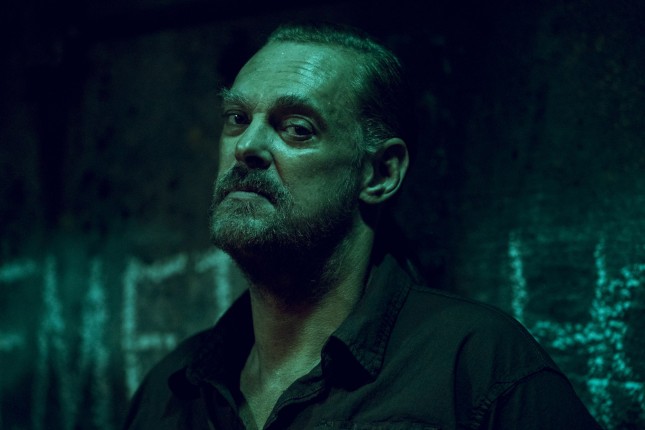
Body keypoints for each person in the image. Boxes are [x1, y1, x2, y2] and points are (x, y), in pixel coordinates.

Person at [123, 22, 602, 429]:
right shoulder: (171, 391)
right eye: (237, 118)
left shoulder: (480, 370)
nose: (247, 146)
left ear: (380, 174)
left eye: (297, 128)